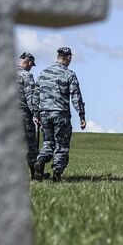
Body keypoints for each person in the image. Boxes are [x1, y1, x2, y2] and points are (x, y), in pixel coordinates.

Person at [33, 47, 86, 181]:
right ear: (68, 58)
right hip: (60, 113)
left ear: (58, 57)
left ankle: (40, 161)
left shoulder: (43, 73)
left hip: (44, 113)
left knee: (47, 142)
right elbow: (76, 97)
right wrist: (81, 115)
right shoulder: (69, 74)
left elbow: (36, 94)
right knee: (61, 145)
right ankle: (57, 174)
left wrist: (35, 113)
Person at [16, 51, 42, 179]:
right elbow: (30, 97)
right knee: (31, 146)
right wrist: (36, 115)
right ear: (29, 62)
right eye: (32, 65)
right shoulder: (26, 75)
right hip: (22, 114)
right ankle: (35, 174)